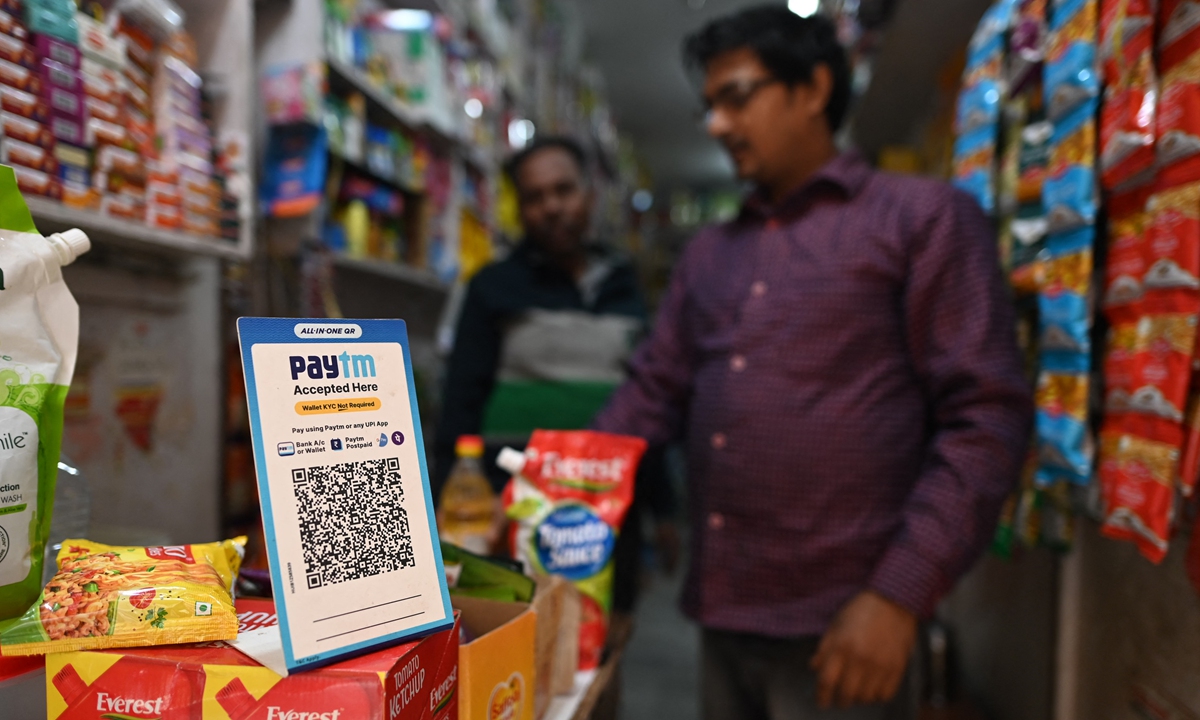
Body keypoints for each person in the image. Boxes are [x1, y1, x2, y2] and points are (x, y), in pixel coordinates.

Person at [592, 7, 1033, 719]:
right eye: (709, 106)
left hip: (848, 625)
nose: (716, 126)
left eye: (737, 97)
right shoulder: (709, 254)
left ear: (814, 87)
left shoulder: (922, 219)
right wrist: (550, 483)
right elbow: (652, 391)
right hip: (724, 612)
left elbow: (986, 419)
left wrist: (899, 594)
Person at [434, 135, 678, 609]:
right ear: (519, 209)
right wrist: (449, 512)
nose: (551, 207)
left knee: (603, 644)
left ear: (589, 194)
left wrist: (663, 507)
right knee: (521, 642)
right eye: (534, 197)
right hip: (518, 512)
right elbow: (460, 404)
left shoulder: (624, 285)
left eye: (563, 190)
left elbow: (649, 399)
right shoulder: (491, 287)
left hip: (609, 510)